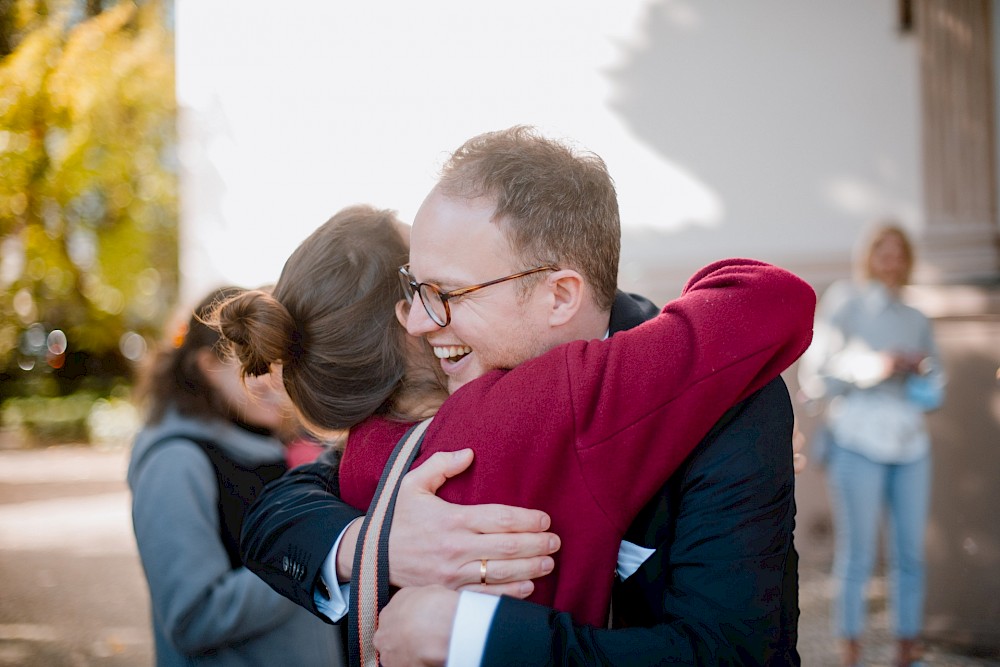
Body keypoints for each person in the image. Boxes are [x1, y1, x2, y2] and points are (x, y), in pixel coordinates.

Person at [235, 127, 812, 665]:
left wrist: (472, 635)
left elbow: (732, 653)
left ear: (559, 296)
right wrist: (375, 544)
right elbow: (278, 514)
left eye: (448, 292)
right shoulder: (420, 420)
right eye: (415, 287)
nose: (415, 321)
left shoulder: (724, 396)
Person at [127, 286, 344, 667]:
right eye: (258, 364)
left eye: (284, 362)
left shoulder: (271, 448)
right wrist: (315, 561)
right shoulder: (177, 463)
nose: (277, 380)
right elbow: (192, 617)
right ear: (208, 367)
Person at [798, 223, 943, 667]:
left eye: (898, 251)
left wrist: (920, 372)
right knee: (857, 550)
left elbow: (936, 389)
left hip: (909, 442)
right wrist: (877, 364)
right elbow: (816, 373)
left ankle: (906, 647)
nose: (890, 259)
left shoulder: (916, 316)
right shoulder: (844, 303)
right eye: (882, 250)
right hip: (857, 439)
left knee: (910, 552)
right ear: (869, 255)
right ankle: (850, 648)